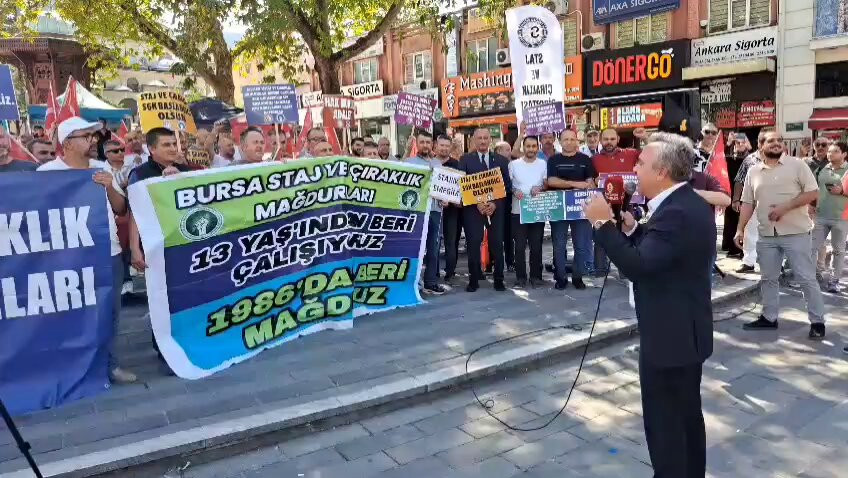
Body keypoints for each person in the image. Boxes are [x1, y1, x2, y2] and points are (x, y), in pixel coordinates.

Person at [584, 132, 715, 478]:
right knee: (685, 420)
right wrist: (633, 230)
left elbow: (640, 266)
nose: (634, 169)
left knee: (667, 426)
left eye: (641, 163)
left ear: (662, 172)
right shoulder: (684, 203)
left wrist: (602, 224)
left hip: (671, 338)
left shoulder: (677, 212)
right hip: (683, 332)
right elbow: (664, 251)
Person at [38, 117, 136, 384]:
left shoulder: (101, 167)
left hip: (108, 252)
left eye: (93, 136)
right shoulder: (47, 173)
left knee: (109, 312)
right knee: (71, 313)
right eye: (86, 136)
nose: (93, 141)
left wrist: (109, 186)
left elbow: (121, 209)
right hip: (68, 257)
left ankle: (110, 365)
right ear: (68, 143)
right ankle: (72, 367)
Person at [735, 131, 826, 340]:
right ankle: (769, 318)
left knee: (806, 278)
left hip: (796, 233)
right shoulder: (753, 171)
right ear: (761, 146)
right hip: (766, 235)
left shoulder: (798, 165)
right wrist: (740, 229)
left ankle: (817, 322)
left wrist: (785, 207)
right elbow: (748, 202)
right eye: (771, 141)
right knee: (768, 278)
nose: (776, 143)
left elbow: (813, 193)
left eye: (779, 141)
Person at [458, 128, 511, 292]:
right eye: (479, 138)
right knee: (473, 244)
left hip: (496, 209)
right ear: (473, 140)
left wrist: (494, 204)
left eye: (485, 138)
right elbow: (461, 186)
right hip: (473, 210)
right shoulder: (465, 160)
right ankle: (473, 279)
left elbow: (507, 186)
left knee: (497, 244)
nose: (482, 141)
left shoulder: (501, 160)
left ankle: (499, 279)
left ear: (490, 140)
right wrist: (477, 203)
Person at [547, 129, 597, 290]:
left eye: (572, 139)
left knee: (581, 245)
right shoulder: (553, 160)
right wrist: (575, 184)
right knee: (559, 245)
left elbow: (590, 182)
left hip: (581, 207)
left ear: (577, 141)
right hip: (559, 208)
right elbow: (551, 181)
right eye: (565, 139)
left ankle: (577, 277)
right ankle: (560, 278)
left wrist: (589, 184)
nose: (569, 142)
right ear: (560, 142)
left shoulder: (585, 159)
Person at [592, 127, 647, 273]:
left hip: (626, 204)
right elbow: (590, 180)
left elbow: (652, 157)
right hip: (603, 205)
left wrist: (645, 138)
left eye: (612, 139)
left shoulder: (631, 154)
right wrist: (594, 180)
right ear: (600, 140)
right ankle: (600, 272)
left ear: (618, 139)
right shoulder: (594, 159)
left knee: (626, 237)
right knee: (600, 237)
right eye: (605, 139)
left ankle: (626, 272)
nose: (609, 142)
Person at [406, 132, 448, 295]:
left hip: (435, 210)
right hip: (416, 211)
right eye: (422, 142)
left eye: (428, 142)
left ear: (432, 145)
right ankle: (412, 283)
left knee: (433, 248)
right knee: (414, 249)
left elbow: (443, 187)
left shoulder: (437, 163)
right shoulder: (409, 163)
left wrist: (445, 199)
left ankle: (430, 282)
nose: (425, 145)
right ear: (417, 144)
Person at [509, 136, 547, 288]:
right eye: (528, 146)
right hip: (517, 211)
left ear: (538, 148)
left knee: (536, 246)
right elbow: (508, 184)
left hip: (536, 210)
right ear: (523, 148)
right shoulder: (513, 164)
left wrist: (540, 188)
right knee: (519, 247)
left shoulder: (543, 164)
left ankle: (536, 277)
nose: (531, 149)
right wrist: (514, 191)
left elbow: (546, 184)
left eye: (533, 146)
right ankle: (520, 277)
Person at [812, 142, 848, 293]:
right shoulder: (822, 169)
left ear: (844, 154)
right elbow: (814, 189)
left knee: (838, 251)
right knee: (811, 247)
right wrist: (812, 205)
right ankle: (814, 276)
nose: (830, 154)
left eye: (835, 151)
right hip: (820, 216)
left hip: (841, 217)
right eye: (829, 151)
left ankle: (834, 281)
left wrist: (842, 192)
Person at [732, 130, 770, 273]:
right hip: (752, 202)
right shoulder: (750, 160)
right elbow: (739, 180)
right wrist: (736, 199)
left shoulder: (781, 159)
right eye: (764, 141)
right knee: (749, 232)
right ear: (759, 143)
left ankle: (774, 262)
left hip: (775, 202)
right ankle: (749, 262)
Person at [434, 135, 462, 285]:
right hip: (433, 209)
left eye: (447, 146)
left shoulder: (457, 165)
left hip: (452, 210)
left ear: (450, 147)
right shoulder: (430, 163)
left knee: (451, 242)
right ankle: (434, 271)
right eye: (441, 145)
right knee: (434, 242)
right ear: (436, 146)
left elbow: (461, 188)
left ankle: (450, 272)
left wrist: (450, 200)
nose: (444, 148)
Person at [723, 134, 750, 258]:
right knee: (731, 220)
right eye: (737, 143)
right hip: (732, 192)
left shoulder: (750, 158)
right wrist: (728, 144)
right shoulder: (729, 157)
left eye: (742, 142)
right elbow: (719, 158)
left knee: (745, 221)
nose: (739, 145)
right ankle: (733, 248)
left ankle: (744, 249)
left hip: (746, 193)